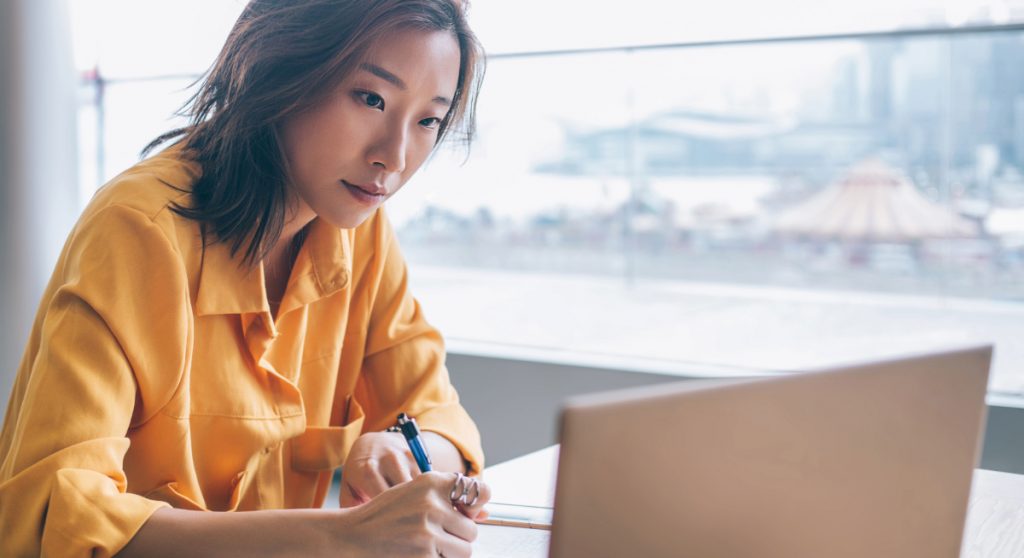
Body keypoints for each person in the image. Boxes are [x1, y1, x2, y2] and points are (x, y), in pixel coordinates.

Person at [0, 1, 493, 556]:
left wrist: (403, 449)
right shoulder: (138, 231)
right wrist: (340, 537)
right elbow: (50, 515)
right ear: (280, 66)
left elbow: (442, 419)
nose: (395, 158)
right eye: (370, 98)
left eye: (428, 120)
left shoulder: (362, 233)